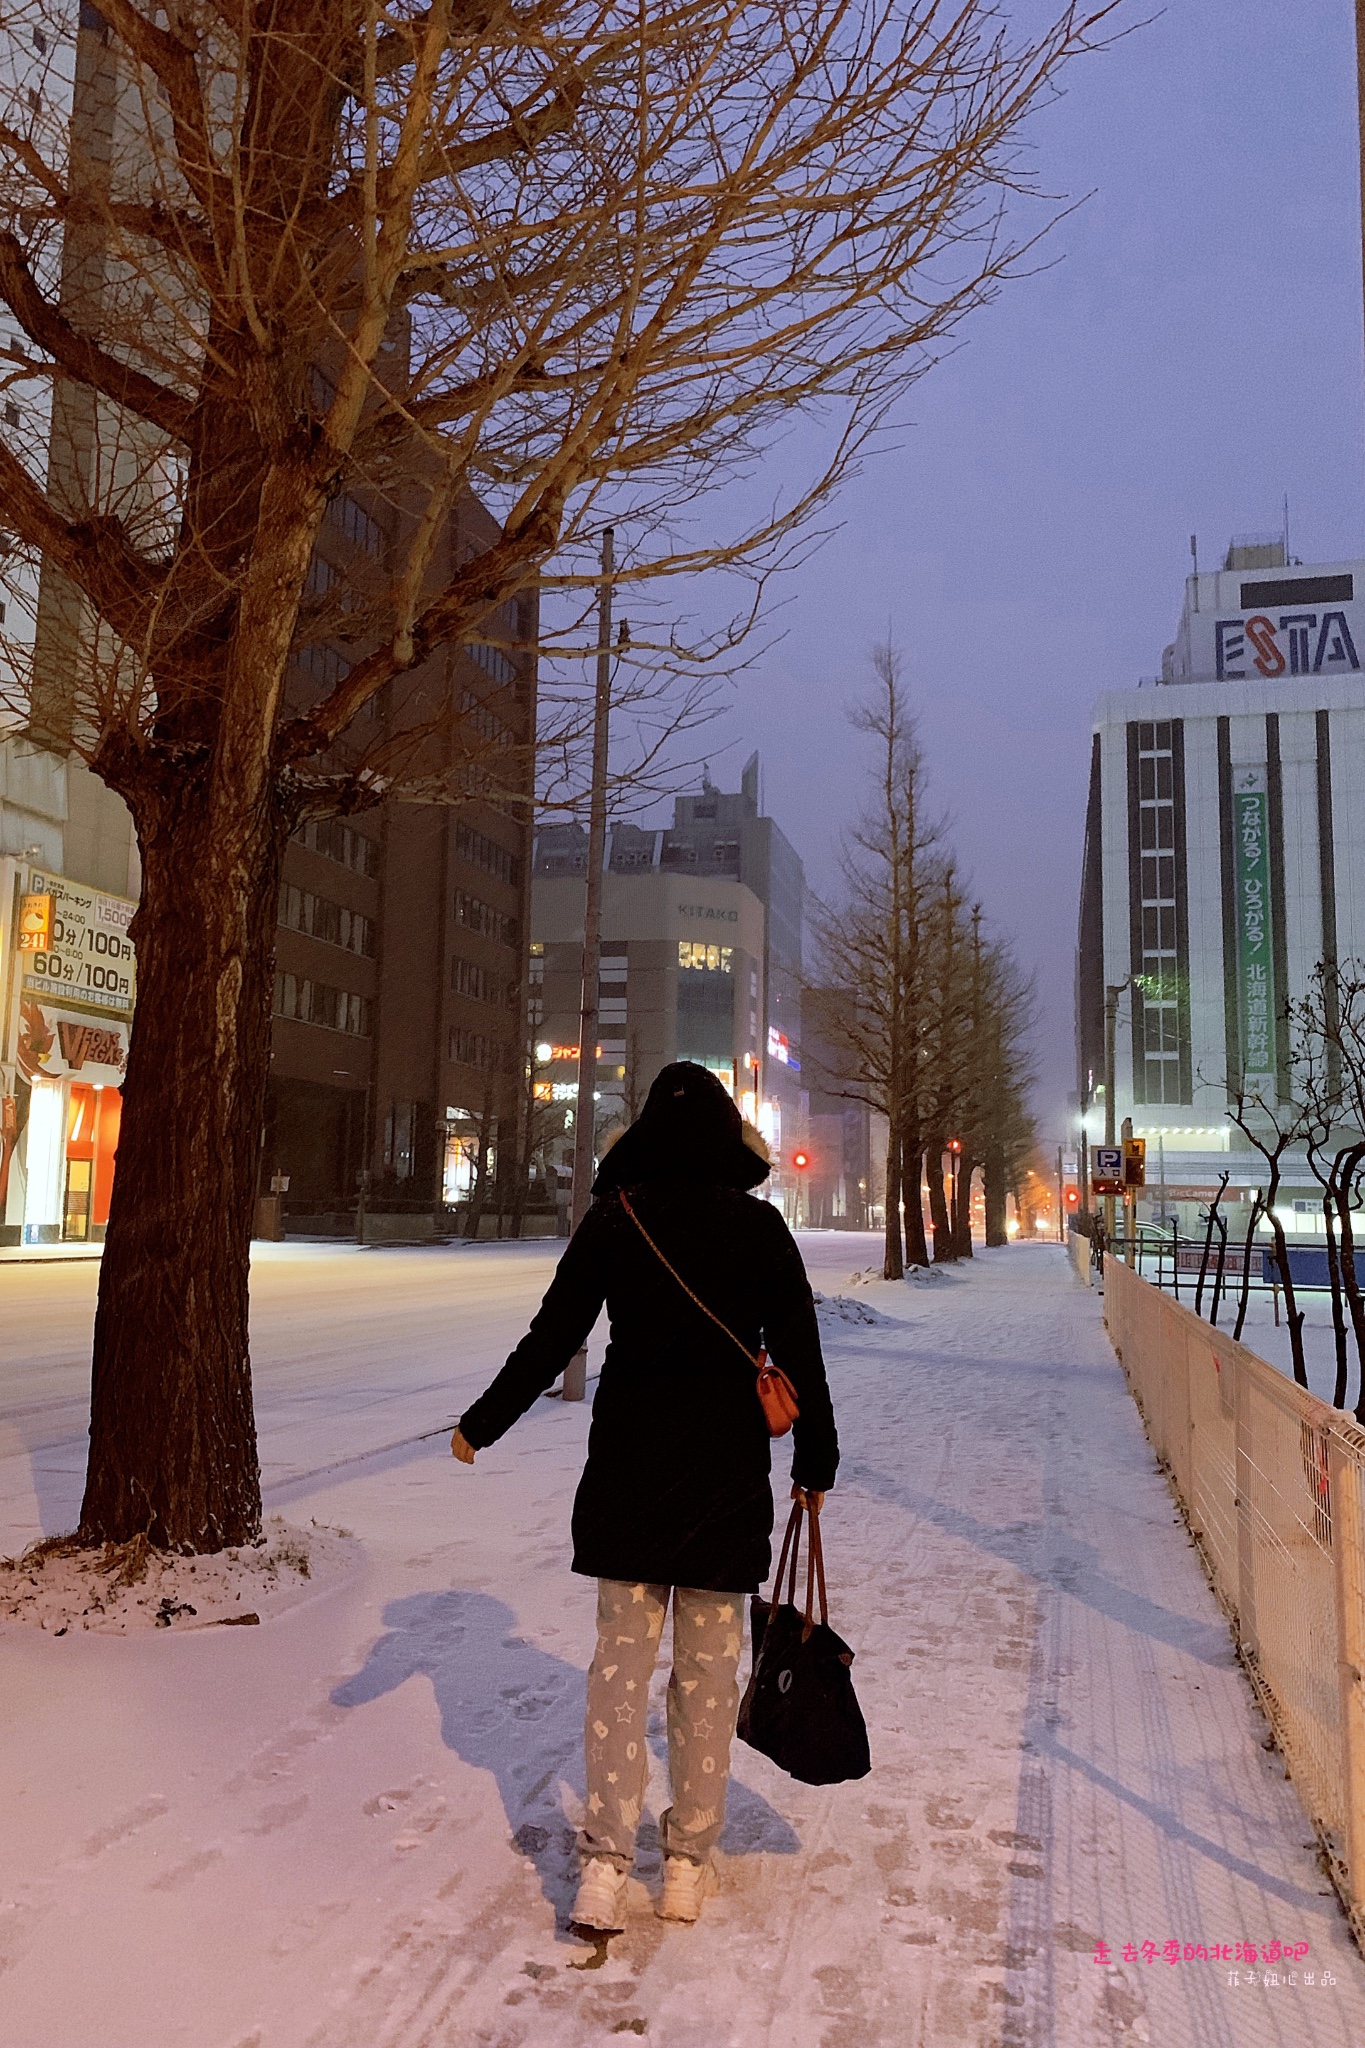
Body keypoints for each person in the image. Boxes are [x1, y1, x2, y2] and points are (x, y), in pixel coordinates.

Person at [450, 1061, 839, 1933]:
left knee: (619, 1672)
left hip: (629, 1475)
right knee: (707, 1677)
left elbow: (553, 1336)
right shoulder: (760, 1227)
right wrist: (815, 1460)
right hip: (726, 1479)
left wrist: (483, 1421)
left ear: (645, 1141)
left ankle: (603, 1862)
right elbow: (802, 1356)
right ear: (726, 1142)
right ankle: (689, 1863)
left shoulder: (614, 1220)